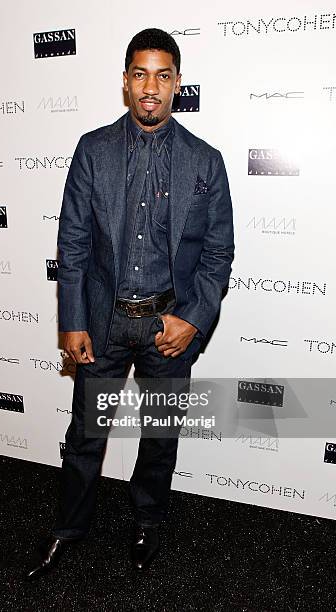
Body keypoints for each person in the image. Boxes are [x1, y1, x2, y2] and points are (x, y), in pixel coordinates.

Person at [25, 27, 234, 580]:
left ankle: (149, 524)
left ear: (177, 84)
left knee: (159, 438)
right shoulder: (92, 151)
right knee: (86, 437)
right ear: (125, 82)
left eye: (162, 76)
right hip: (104, 322)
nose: (150, 87)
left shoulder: (206, 161)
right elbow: (71, 244)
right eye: (140, 74)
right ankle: (68, 530)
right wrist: (71, 321)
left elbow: (218, 254)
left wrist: (191, 319)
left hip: (171, 328)